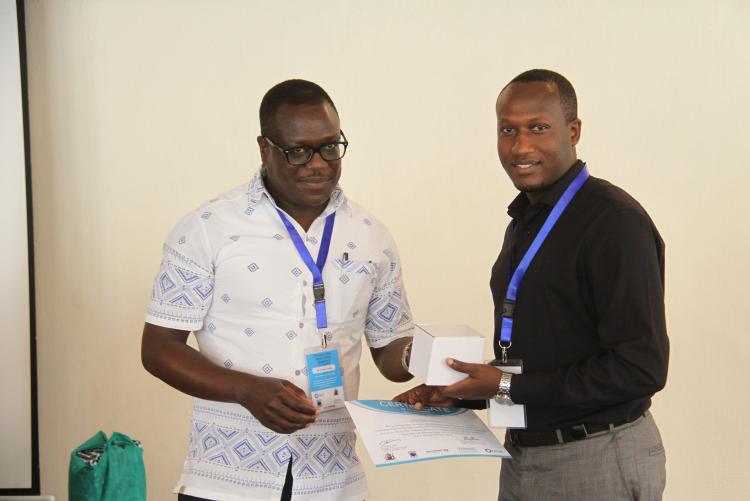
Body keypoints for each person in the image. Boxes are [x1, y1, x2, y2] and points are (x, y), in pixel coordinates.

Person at [395, 69, 669, 500]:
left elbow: (640, 368)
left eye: (538, 128)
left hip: (596, 455)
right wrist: (467, 391)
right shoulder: (527, 219)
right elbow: (550, 349)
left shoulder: (614, 222)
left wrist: (504, 385)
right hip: (522, 456)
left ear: (573, 131)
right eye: (508, 130)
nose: (521, 147)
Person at [142, 79, 414, 501]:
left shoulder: (371, 236)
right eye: (298, 151)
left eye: (330, 147)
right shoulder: (208, 228)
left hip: (333, 481)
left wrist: (433, 358)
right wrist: (245, 390)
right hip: (228, 481)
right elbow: (159, 348)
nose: (318, 164)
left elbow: (390, 352)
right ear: (264, 148)